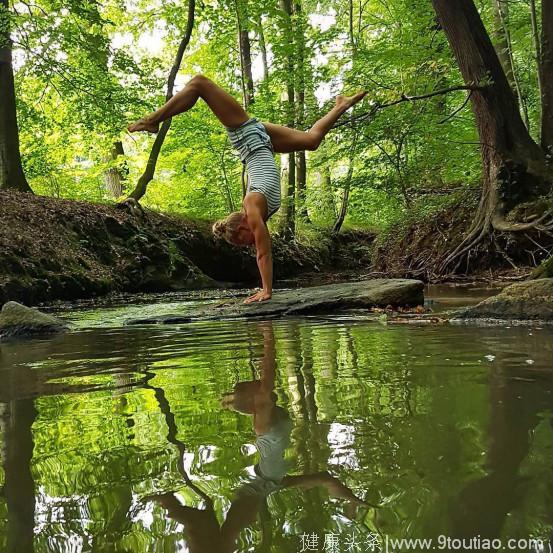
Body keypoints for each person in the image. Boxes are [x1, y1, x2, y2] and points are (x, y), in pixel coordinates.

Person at [129, 75, 366, 303]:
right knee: (311, 140)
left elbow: (264, 253)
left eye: (243, 242)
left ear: (242, 227)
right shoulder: (258, 210)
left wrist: (266, 291)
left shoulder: (252, 208)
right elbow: (261, 248)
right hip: (262, 140)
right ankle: (341, 105)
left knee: (200, 84)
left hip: (246, 136)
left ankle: (152, 120)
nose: (249, 244)